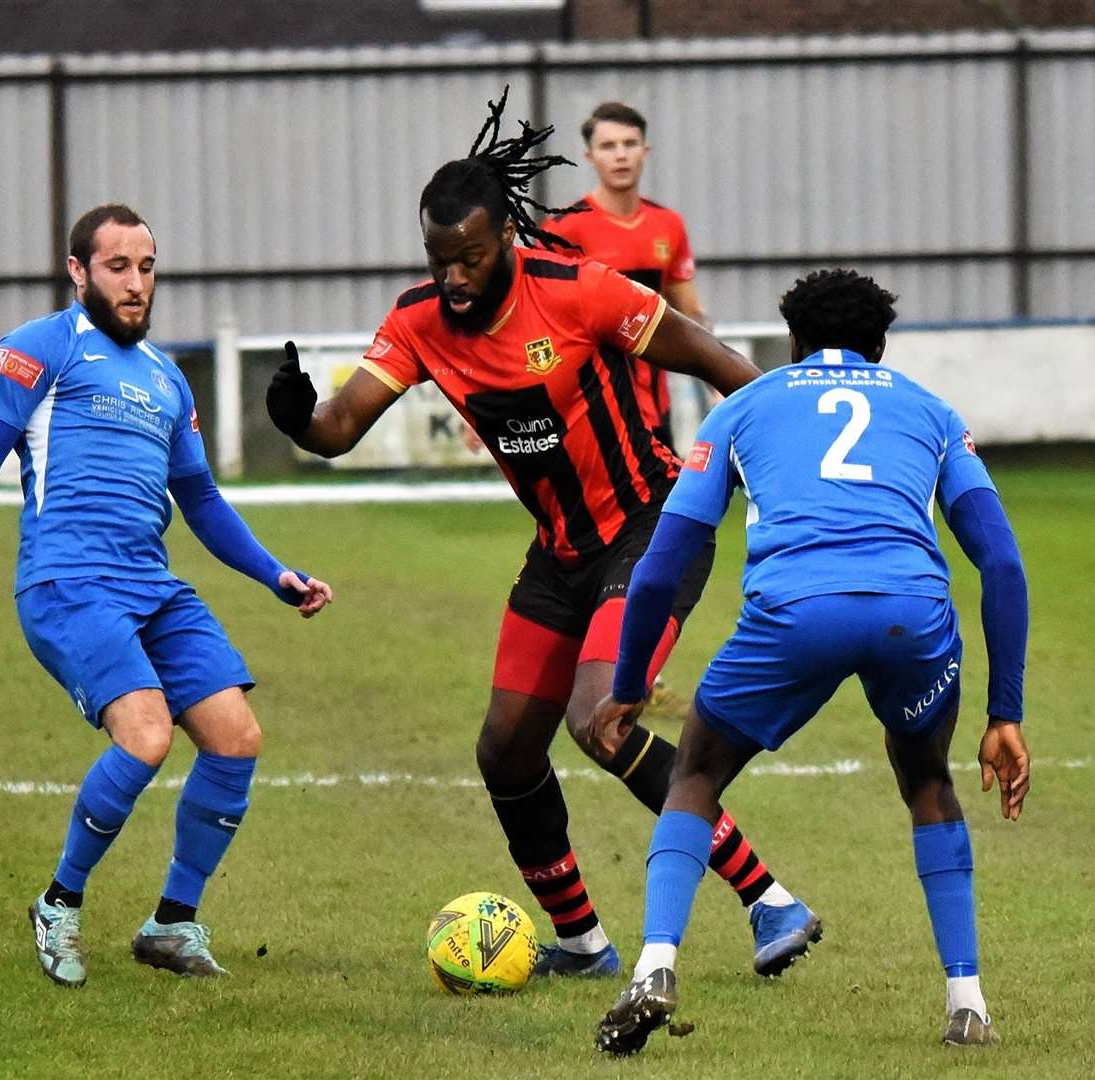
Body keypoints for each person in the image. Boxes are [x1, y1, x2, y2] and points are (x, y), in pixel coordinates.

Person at [265, 90, 819, 979]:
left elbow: (727, 369)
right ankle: (582, 943)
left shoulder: (583, 292)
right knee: (505, 748)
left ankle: (770, 900)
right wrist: (299, 418)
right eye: (438, 258)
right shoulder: (418, 322)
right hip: (561, 552)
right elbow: (340, 427)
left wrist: (789, 480)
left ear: (506, 244)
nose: (452, 277)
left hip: (652, 529)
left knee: (599, 718)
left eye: (470, 259)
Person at [590, 268, 1031, 1054]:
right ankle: (967, 1004)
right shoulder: (931, 410)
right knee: (927, 780)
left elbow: (660, 566)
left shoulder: (744, 407)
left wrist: (627, 688)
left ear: (792, 343)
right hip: (911, 616)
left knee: (694, 771)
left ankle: (655, 966)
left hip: (794, 613)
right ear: (881, 345)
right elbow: (1000, 563)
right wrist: (1006, 714)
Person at [0, 203, 332, 989]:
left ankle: (172, 923)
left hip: (152, 584)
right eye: (117, 267)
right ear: (78, 271)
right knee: (145, 735)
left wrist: (276, 574)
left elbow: (200, 500)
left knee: (235, 738)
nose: (136, 284)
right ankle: (58, 904)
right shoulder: (39, 349)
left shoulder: (167, 376)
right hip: (67, 583)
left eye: (146, 268)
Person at [542, 102, 710, 450]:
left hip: (655, 408)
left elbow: (691, 313)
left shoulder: (668, 224)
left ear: (645, 151)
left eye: (629, 144)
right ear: (589, 156)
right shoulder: (565, 228)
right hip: (591, 407)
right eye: (608, 146)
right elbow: (540, 319)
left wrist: (717, 381)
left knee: (661, 502)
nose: (621, 155)